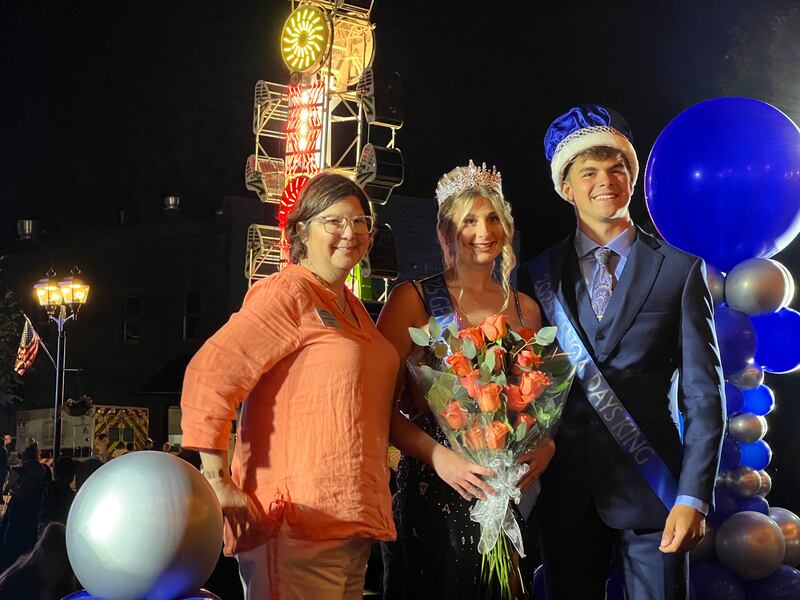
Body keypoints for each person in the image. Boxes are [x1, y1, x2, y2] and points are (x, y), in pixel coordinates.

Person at [519, 104, 725, 599]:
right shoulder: (536, 275)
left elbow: (703, 395)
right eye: (588, 171)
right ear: (566, 187)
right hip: (566, 497)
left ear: (632, 177)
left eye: (617, 168)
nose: (604, 180)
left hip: (656, 495)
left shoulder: (680, 270)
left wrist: (694, 496)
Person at [180, 172, 399, 600]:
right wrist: (218, 480)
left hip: (351, 523)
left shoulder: (352, 308)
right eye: (333, 221)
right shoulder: (289, 291)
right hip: (294, 524)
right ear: (301, 230)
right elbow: (211, 372)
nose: (349, 233)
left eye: (360, 223)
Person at [377, 161, 555, 598]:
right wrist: (439, 457)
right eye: (469, 220)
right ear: (444, 231)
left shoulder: (525, 309)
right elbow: (374, 406)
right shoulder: (413, 300)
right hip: (435, 484)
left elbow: (539, 405)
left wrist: (546, 444)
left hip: (509, 488)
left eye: (493, 217)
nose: (484, 230)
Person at [0, 435, 11, 504]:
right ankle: (0, 499)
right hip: (3, 469)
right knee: (1, 484)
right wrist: (8, 469)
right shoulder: (4, 449)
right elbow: (5, 460)